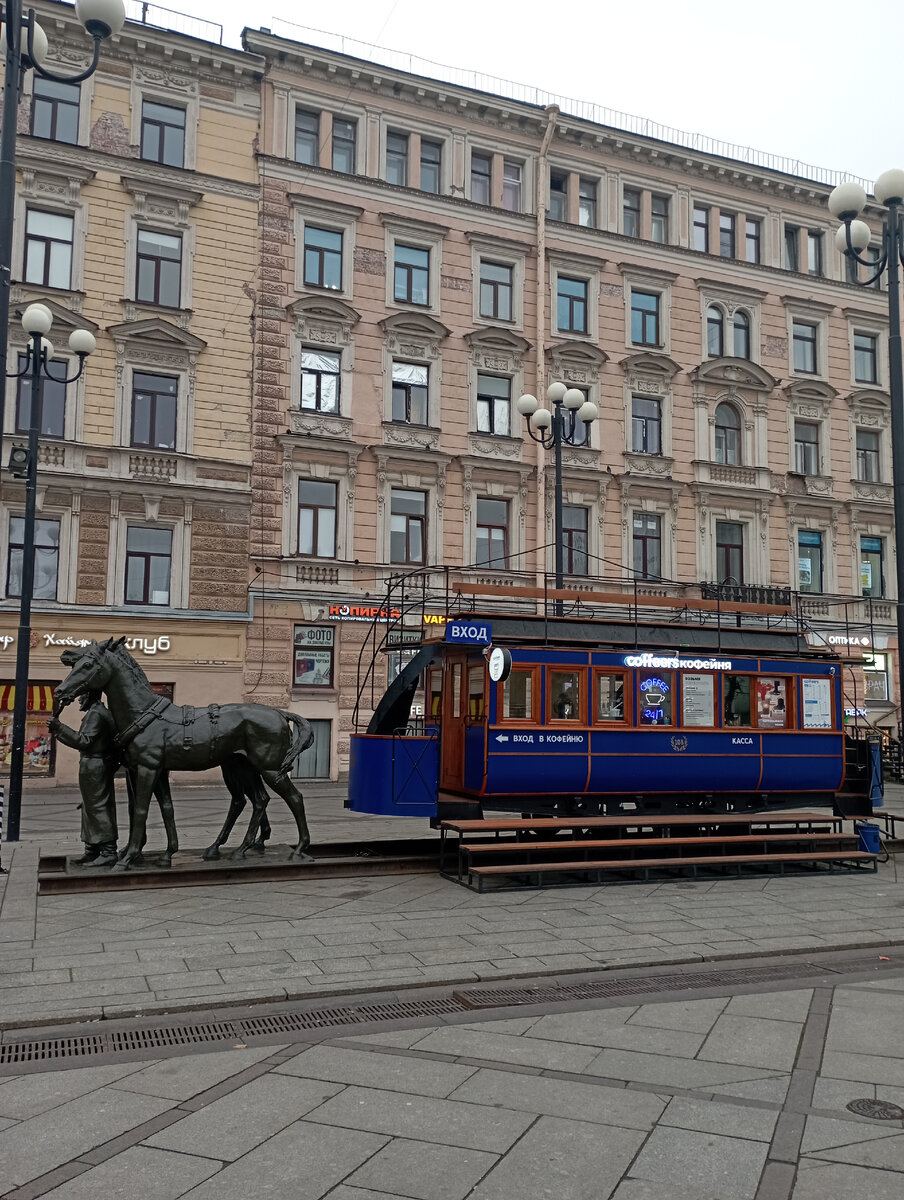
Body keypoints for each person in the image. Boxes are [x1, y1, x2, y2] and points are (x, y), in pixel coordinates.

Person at [48, 691, 119, 866]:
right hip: (93, 766)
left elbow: (84, 741)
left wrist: (59, 727)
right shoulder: (96, 712)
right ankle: (92, 850)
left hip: (95, 766)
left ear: (90, 696)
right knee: (89, 807)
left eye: (82, 696)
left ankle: (108, 852)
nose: (79, 699)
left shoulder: (96, 713)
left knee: (97, 807)